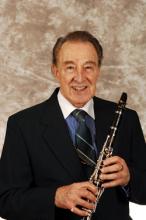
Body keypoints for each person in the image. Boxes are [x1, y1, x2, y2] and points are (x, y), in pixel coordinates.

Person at [0, 30, 146, 220]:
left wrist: (129, 179)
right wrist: (56, 196)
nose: (80, 77)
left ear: (98, 70)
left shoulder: (127, 119)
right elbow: (5, 201)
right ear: (56, 70)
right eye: (70, 67)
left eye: (88, 67)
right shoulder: (22, 125)